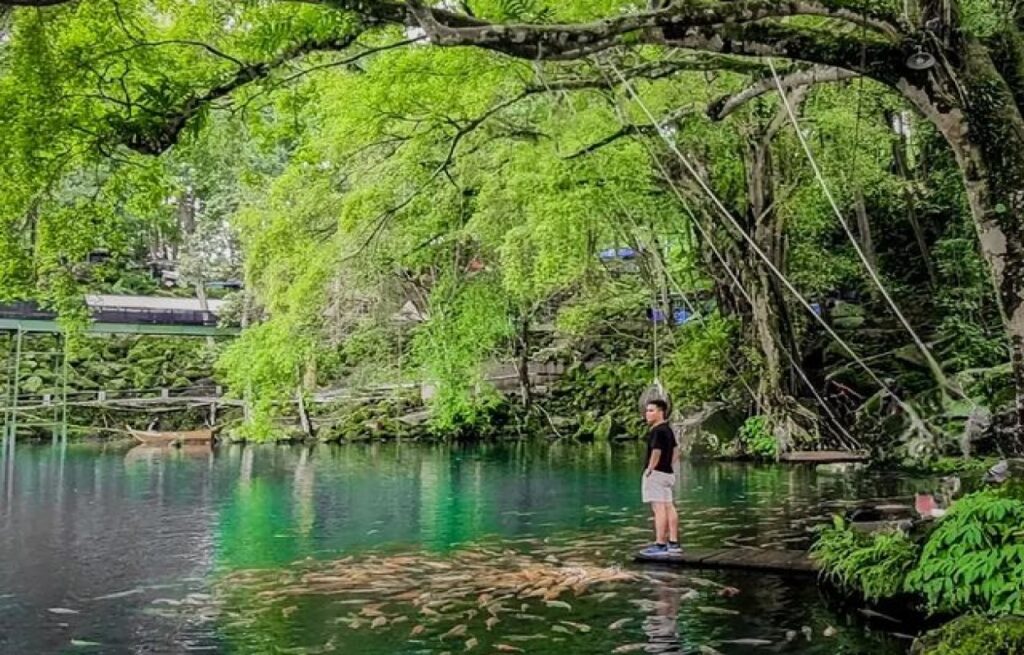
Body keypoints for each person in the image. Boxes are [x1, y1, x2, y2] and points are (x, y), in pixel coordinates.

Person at [641, 399, 680, 556]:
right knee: (669, 506)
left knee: (659, 508)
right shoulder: (668, 430)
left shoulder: (657, 431)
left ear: (660, 412)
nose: (647, 414)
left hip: (656, 474)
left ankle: (660, 544)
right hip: (668, 473)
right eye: (647, 411)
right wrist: (668, 464)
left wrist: (651, 469)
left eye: (651, 410)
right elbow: (676, 450)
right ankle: (673, 542)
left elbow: (656, 452)